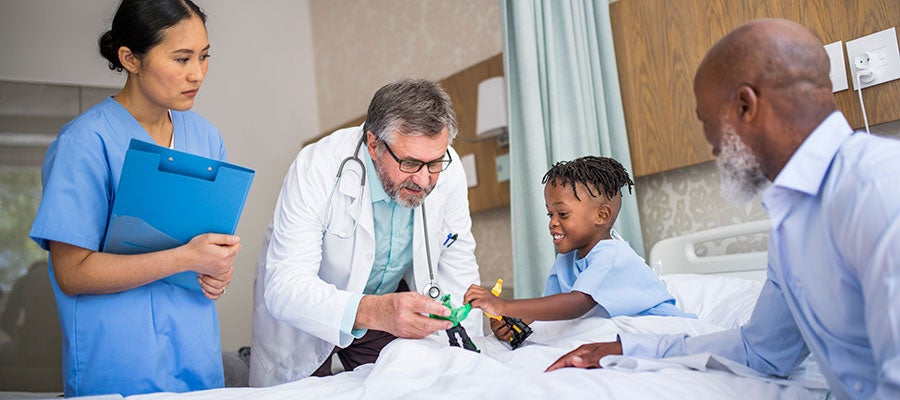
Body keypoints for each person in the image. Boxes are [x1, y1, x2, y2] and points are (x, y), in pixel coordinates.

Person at [545, 19, 900, 400]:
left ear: (746, 105)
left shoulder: (880, 190)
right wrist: (628, 349)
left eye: (707, 122)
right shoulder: (791, 225)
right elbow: (762, 353)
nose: (711, 145)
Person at [28, 0, 240, 396]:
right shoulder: (85, 143)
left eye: (204, 57)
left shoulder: (206, 138)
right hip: (119, 366)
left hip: (196, 359)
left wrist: (217, 270)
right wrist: (187, 257)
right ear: (130, 58)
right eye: (181, 59)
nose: (197, 73)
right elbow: (72, 273)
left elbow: (207, 249)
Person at [249, 78, 481, 386]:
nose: (425, 181)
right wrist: (377, 311)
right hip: (307, 316)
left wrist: (469, 354)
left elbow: (458, 267)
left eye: (435, 162)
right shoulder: (316, 166)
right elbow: (285, 287)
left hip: (383, 307)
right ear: (374, 144)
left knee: (404, 386)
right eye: (410, 163)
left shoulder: (449, 173)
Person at [465, 156, 691, 344]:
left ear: (601, 215)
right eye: (550, 214)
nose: (552, 222)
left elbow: (577, 304)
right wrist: (511, 323)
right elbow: (548, 311)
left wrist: (504, 304)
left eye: (562, 214)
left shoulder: (611, 254)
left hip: (657, 327)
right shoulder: (566, 260)